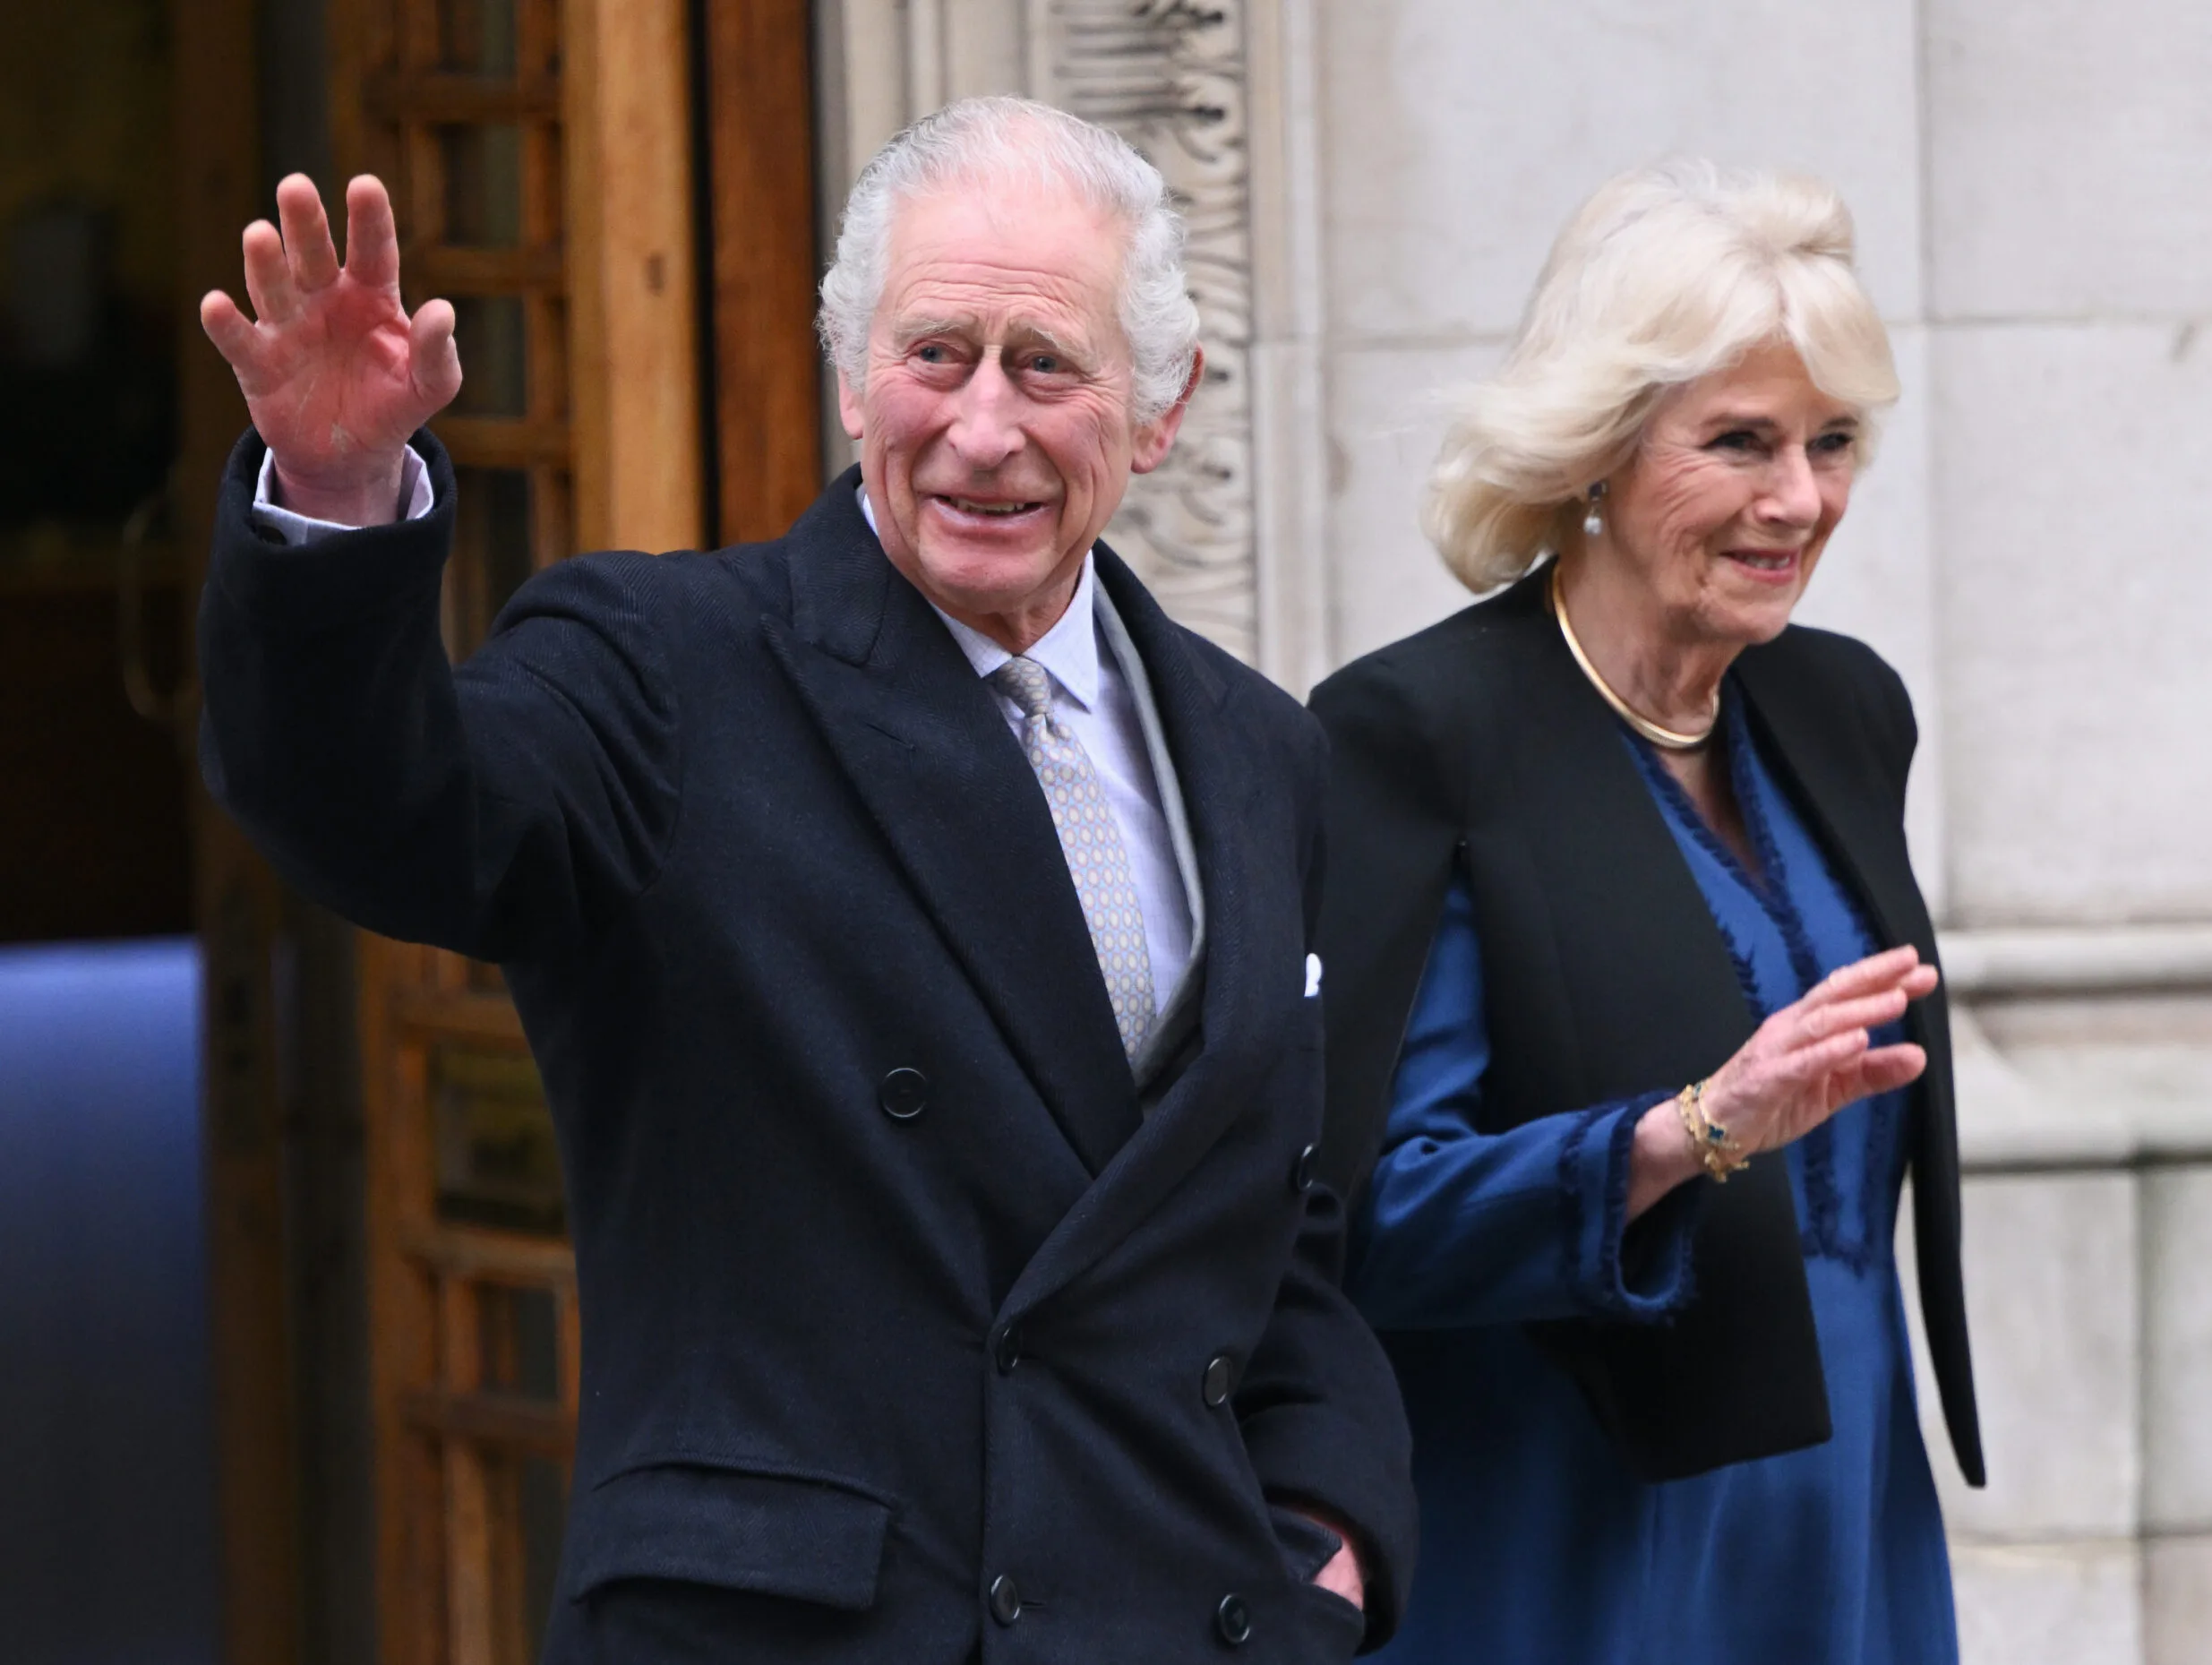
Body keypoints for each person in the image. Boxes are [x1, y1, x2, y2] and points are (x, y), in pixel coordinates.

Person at [197, 96, 1413, 1662]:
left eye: (1046, 365)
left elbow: (1278, 1233)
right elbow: (381, 807)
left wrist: (1328, 1539)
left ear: (1162, 403)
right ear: (851, 377)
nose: (984, 428)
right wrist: (336, 502)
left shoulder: (1261, 753)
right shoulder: (663, 671)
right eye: (935, 355)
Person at [1308, 163, 1984, 1663]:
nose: (1797, 500)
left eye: (1831, 443)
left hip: (1845, 1480)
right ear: (1598, 452)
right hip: (1569, 1505)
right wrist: (1694, 1129)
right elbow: (1372, 1217)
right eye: (1738, 442)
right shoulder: (1419, 732)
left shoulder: (1841, 703)